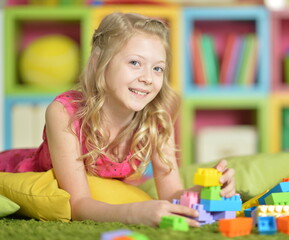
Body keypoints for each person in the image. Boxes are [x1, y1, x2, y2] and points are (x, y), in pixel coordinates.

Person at [0, 12, 235, 227]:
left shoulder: (158, 118)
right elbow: (78, 204)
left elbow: (171, 193)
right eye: (135, 63)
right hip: (18, 168)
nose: (147, 78)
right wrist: (133, 213)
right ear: (100, 63)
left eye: (158, 69)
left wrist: (205, 191)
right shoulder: (64, 113)